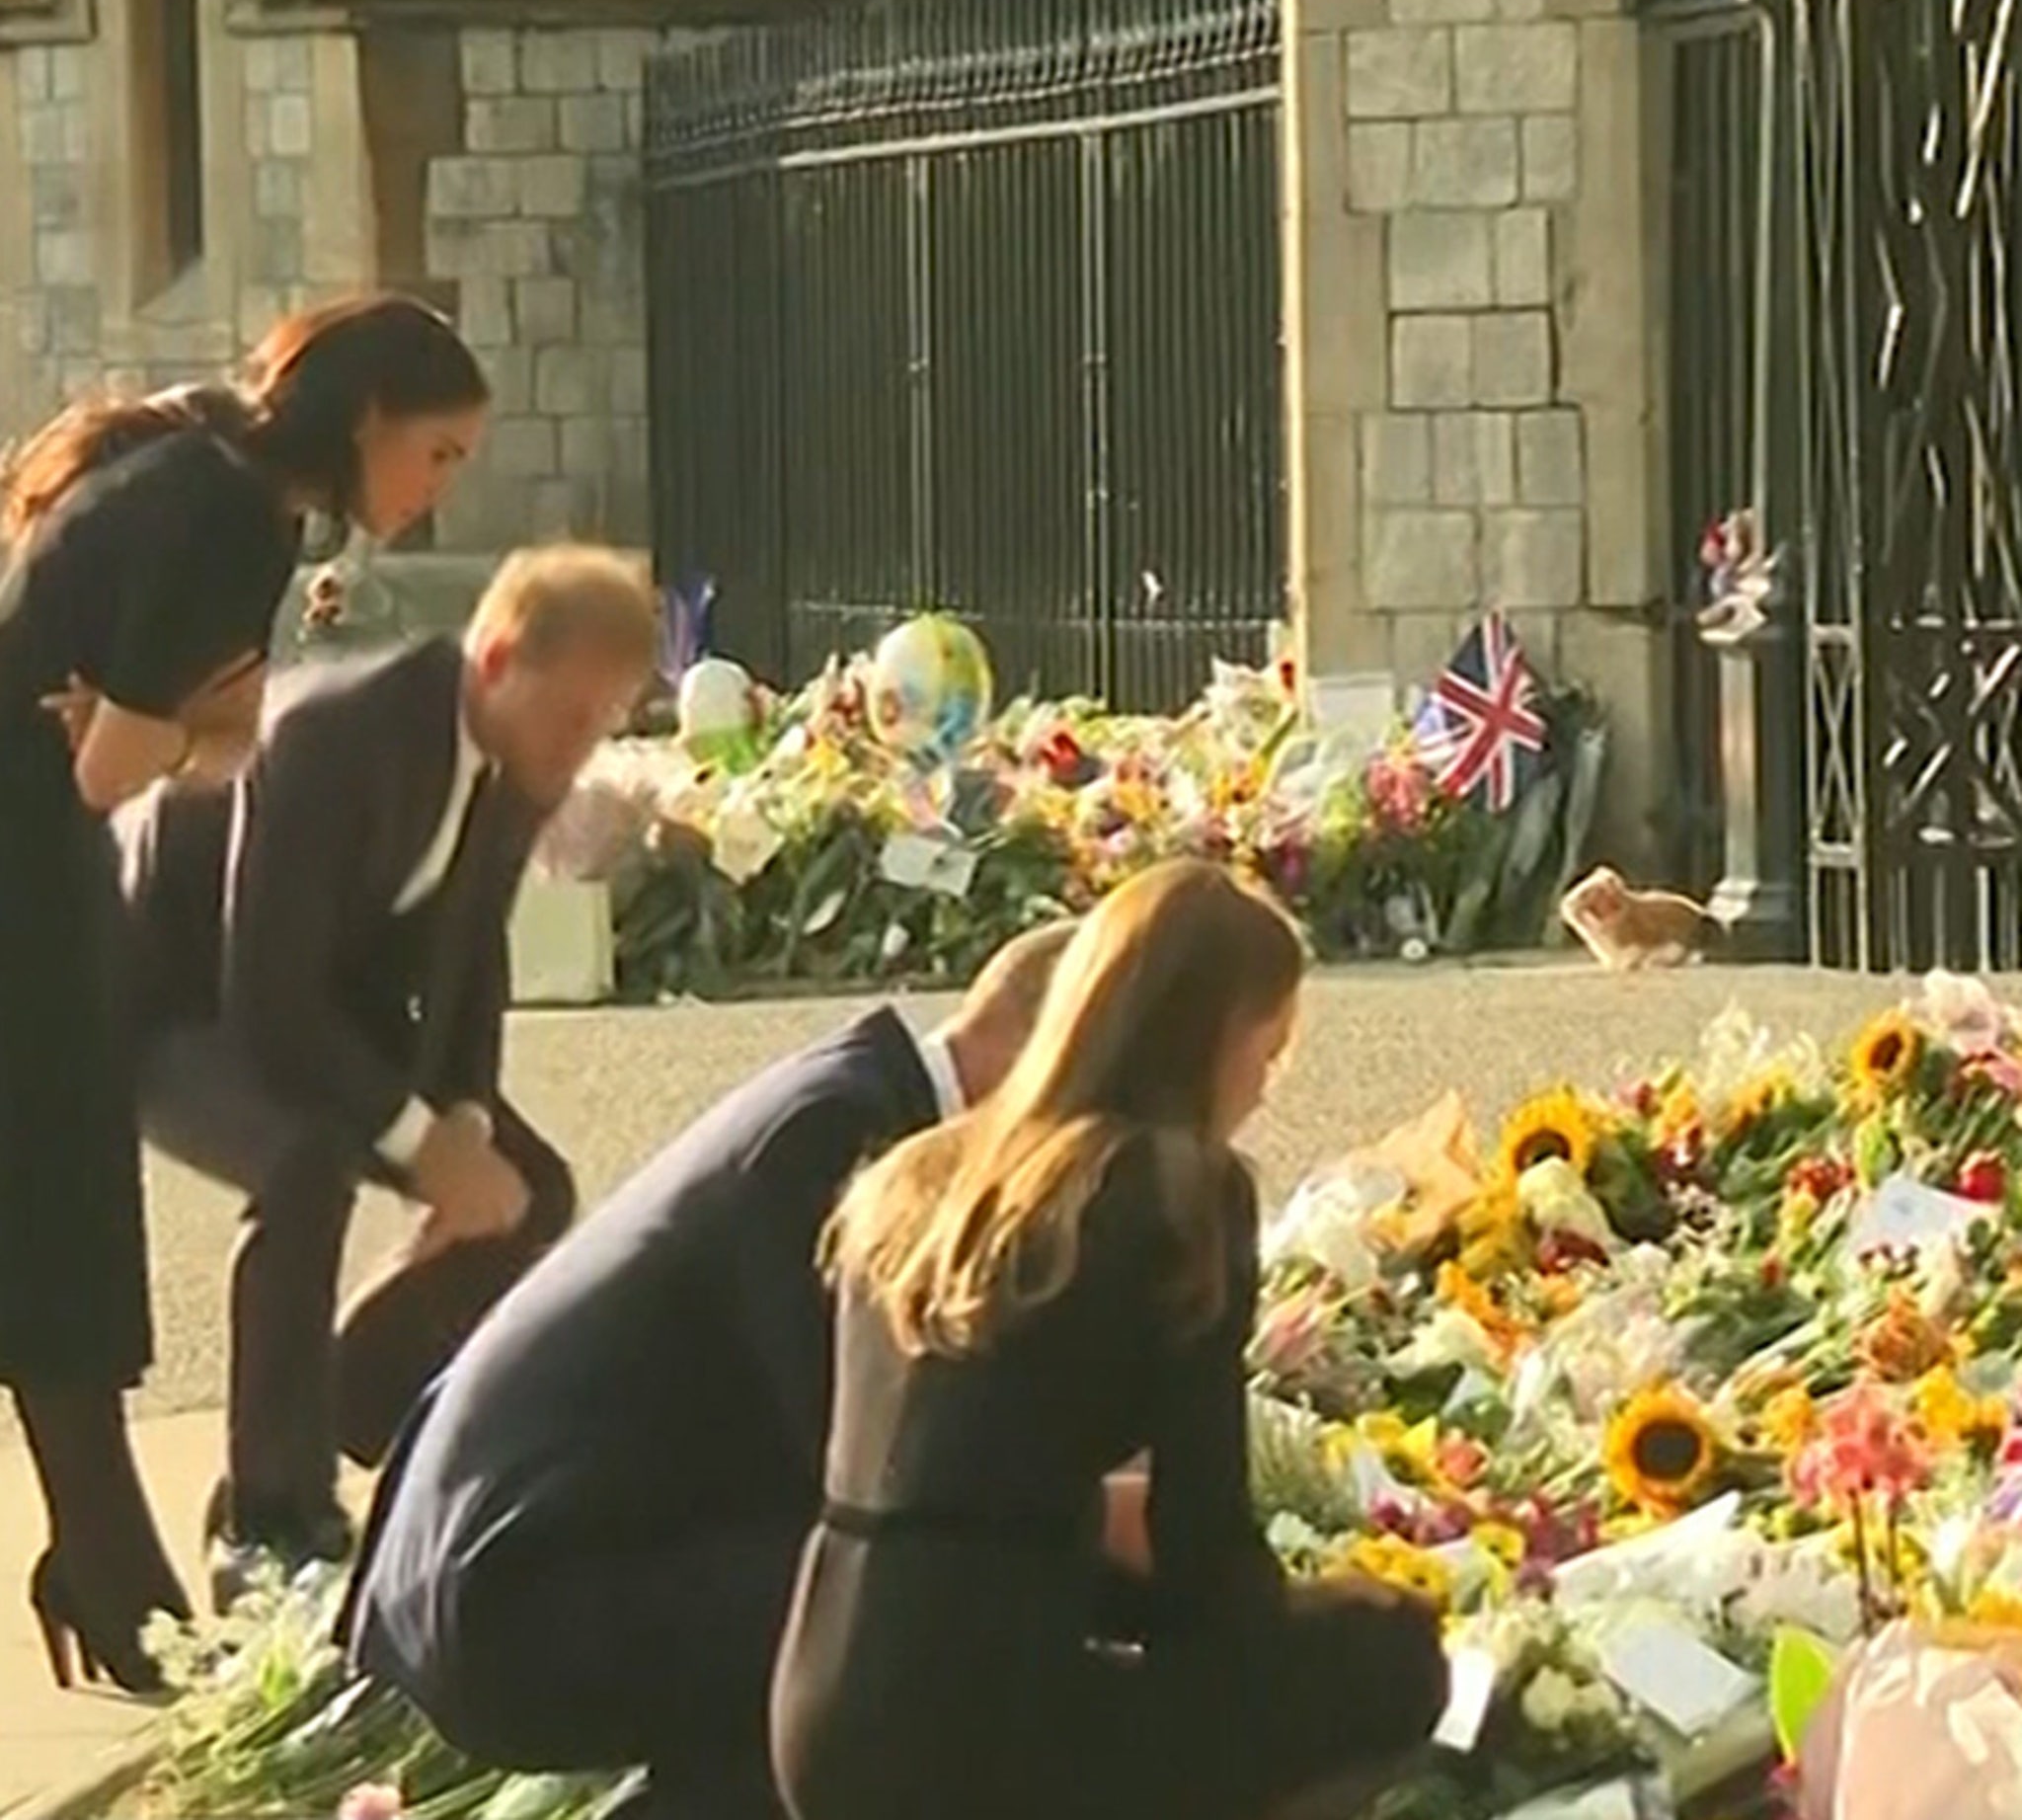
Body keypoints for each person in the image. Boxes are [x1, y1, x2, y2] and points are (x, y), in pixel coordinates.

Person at [0, 295, 488, 1695]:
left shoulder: (215, 480)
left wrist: (188, 724)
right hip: (27, 876)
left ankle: (108, 1570)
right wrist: (195, 723)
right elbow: (118, 768)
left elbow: (197, 745)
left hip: (46, 872)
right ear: (370, 422)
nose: (440, 490)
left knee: (59, 1232)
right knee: (57, 1234)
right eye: (440, 456)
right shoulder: (224, 513)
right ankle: (112, 1578)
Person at [341, 922, 1076, 1820]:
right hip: (515, 1595)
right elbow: (847, 1438)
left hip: (545, 1561)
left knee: (876, 1617)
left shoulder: (857, 1097)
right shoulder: (836, 1131)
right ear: (1046, 1056)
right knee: (900, 1612)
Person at [771, 859, 1450, 1820]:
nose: (1260, 1090)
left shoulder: (918, 1178)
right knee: (1388, 1660)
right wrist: (1324, 1618)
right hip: (982, 1733)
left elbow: (950, 1481)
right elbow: (1198, 1535)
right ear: (1214, 1036)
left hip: (822, 1702)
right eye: (1267, 1054)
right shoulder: (1177, 1190)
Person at [116, 543, 658, 1609]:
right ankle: (275, 1526)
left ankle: (334, 1420)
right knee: (303, 1161)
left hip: (318, 999)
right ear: (498, 655)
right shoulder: (334, 732)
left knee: (525, 1190)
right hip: (171, 997)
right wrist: (419, 1144)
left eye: (606, 721)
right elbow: (265, 996)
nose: (581, 743)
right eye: (573, 714)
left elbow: (472, 953)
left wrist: (463, 1115)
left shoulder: (519, 757)